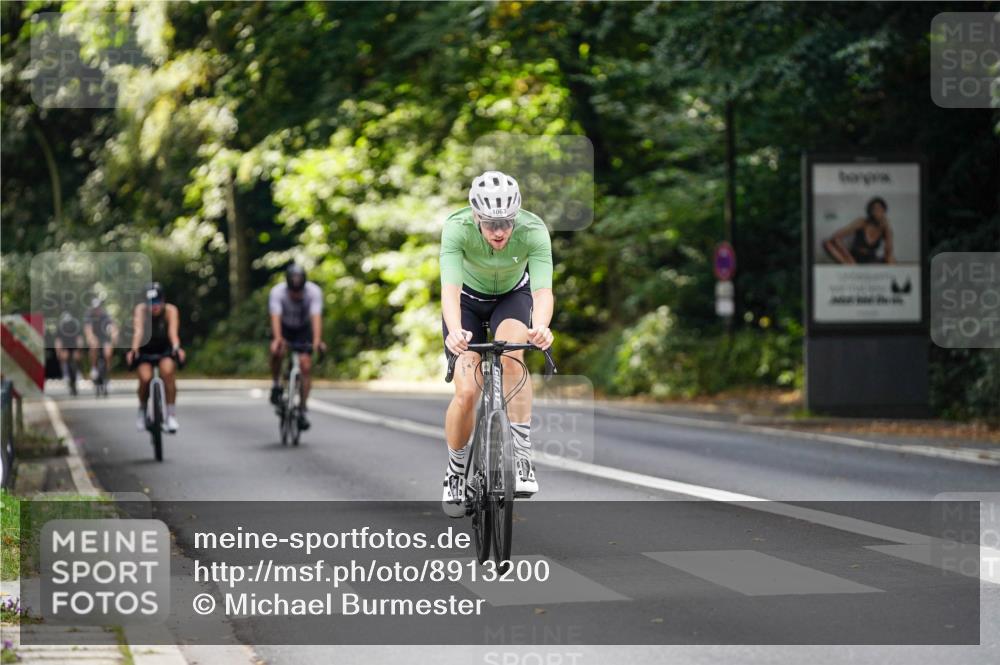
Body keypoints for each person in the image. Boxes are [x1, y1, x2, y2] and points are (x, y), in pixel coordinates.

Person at [439, 170, 554, 517]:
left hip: (512, 297)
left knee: (512, 357)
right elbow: (450, 291)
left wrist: (542, 327)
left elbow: (542, 291)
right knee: (467, 390)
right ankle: (456, 471)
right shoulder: (456, 227)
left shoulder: (533, 230)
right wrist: (456, 331)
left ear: (516, 214)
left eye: (506, 221)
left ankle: (521, 458)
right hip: (467, 303)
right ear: (476, 216)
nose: (500, 231)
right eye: (490, 223)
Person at [268, 264, 326, 430]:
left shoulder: (313, 292)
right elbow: (275, 317)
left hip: (303, 329)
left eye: (298, 293)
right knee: (276, 350)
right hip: (284, 327)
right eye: (293, 293)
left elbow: (316, 317)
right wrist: (278, 339)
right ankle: (276, 384)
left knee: (306, 365)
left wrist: (317, 341)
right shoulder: (277, 292)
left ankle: (302, 409)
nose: (295, 295)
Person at [125, 283, 185, 433]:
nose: (155, 306)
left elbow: (173, 333)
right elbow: (138, 332)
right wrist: (134, 350)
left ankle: (171, 415)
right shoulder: (141, 310)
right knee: (145, 378)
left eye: (157, 302)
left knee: (168, 372)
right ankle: (142, 410)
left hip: (164, 349)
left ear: (163, 300)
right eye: (151, 303)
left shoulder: (171, 311)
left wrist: (177, 348)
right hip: (145, 349)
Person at [822, 197, 896, 265]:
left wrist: (887, 229)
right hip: (854, 257)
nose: (877, 212)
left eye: (880, 209)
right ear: (870, 211)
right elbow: (836, 236)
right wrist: (848, 256)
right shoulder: (862, 222)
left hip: (871, 259)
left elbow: (888, 253)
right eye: (874, 209)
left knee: (892, 260)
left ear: (884, 211)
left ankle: (854, 267)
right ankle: (850, 265)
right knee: (827, 243)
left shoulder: (886, 228)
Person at [84, 296, 118, 383]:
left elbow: (113, 326)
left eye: (98, 308)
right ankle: (94, 367)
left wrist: (114, 335)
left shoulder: (105, 315)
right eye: (95, 308)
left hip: (104, 337)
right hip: (94, 336)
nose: (97, 310)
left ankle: (107, 371)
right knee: (93, 346)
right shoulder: (89, 315)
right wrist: (90, 337)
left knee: (108, 352)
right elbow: (88, 329)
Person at [54, 311, 84, 396]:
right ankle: (66, 373)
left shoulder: (76, 327)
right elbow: (58, 341)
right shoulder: (60, 328)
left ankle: (77, 372)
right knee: (64, 358)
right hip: (65, 346)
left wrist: (79, 350)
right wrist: (58, 351)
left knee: (76, 358)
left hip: (74, 346)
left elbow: (79, 339)